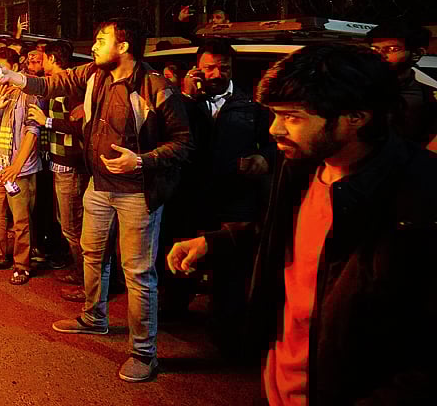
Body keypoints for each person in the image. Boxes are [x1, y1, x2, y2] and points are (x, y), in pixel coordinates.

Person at [167, 44, 437, 404]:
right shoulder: (302, 165)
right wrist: (213, 243)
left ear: (356, 117)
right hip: (280, 380)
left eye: (293, 116)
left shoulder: (420, 197)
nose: (275, 129)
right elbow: (289, 236)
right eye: (275, 115)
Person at [0, 17, 192, 382]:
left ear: (124, 47)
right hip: (98, 187)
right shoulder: (94, 75)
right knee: (92, 254)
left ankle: (144, 353)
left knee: (137, 273)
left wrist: (142, 160)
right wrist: (14, 78)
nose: (96, 45)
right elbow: (52, 83)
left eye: (102, 39)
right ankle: (94, 317)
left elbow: (183, 143)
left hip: (138, 193)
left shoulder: (156, 87)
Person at [167, 39, 274, 329]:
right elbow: (171, 136)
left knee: (229, 273)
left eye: (223, 67)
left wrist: (262, 159)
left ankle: (227, 331)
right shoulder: (183, 103)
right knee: (180, 265)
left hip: (233, 201)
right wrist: (187, 98)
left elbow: (272, 144)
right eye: (209, 68)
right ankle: (172, 316)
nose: (216, 74)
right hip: (190, 198)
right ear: (197, 69)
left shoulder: (250, 105)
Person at [25, 41, 91, 301]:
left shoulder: (74, 88)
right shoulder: (57, 85)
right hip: (59, 163)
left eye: (43, 58)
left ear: (52, 58)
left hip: (73, 165)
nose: (40, 63)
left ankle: (89, 283)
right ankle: (80, 272)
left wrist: (47, 121)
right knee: (67, 224)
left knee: (74, 227)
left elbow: (82, 126)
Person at [0, 48, 43, 285]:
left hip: (18, 170)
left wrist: (17, 166)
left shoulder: (29, 91)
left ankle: (22, 265)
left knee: (21, 220)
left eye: (2, 69)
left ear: (15, 67)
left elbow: (33, 131)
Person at [366, 21, 437, 151]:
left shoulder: (429, 97)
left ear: (417, 53)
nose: (380, 55)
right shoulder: (354, 88)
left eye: (392, 49)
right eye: (374, 49)